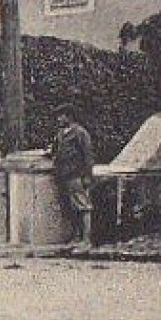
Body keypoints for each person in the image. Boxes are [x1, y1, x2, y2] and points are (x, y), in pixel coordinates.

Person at [48, 106, 95, 250]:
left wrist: (87, 175)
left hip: (76, 174)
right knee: (70, 208)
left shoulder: (80, 133)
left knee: (83, 207)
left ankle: (86, 239)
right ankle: (76, 237)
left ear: (69, 116)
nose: (58, 119)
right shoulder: (61, 133)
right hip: (63, 175)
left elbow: (88, 155)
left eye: (61, 116)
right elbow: (55, 150)